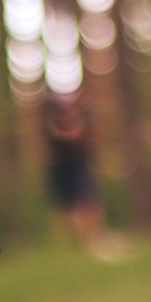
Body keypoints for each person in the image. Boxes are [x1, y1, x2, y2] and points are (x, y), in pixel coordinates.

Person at [44, 92, 103, 246]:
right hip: (63, 167)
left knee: (86, 201)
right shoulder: (53, 122)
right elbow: (67, 136)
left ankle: (90, 238)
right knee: (64, 205)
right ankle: (65, 242)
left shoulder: (81, 119)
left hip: (78, 165)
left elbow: (87, 139)